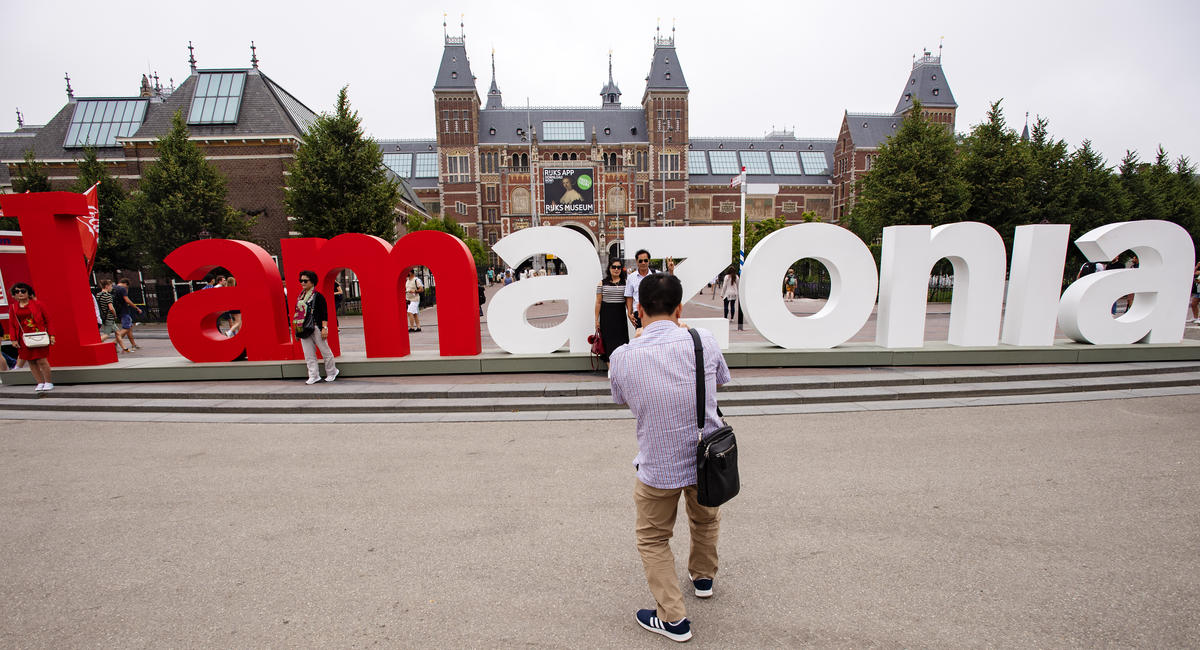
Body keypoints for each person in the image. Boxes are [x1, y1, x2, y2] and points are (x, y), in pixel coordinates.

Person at [608, 273, 731, 643]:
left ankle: (673, 618)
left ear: (638, 310)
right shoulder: (703, 341)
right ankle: (703, 577)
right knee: (705, 520)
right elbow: (720, 380)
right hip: (705, 457)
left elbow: (620, 398)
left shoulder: (623, 356)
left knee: (653, 538)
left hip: (657, 464)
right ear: (680, 308)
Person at [5, 282, 56, 393]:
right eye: (17, 292)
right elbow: (12, 324)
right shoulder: (13, 307)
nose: (20, 293)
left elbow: (48, 320)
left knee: (42, 360)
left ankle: (48, 382)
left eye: (23, 291)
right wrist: (13, 339)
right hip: (23, 338)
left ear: (28, 292)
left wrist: (52, 335)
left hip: (39, 335)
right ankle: (40, 382)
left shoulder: (38, 304)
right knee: (31, 362)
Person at [293, 270, 338, 384]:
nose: (302, 283)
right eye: (301, 280)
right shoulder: (300, 298)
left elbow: (324, 313)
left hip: (316, 327)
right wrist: (297, 331)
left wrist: (324, 328)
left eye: (305, 280)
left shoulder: (318, 296)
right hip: (304, 329)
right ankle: (313, 375)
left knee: (325, 351)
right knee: (308, 354)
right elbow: (298, 315)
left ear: (312, 282)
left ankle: (332, 372)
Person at [594, 259, 630, 362]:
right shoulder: (602, 283)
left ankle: (620, 366)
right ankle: (611, 369)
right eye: (613, 267)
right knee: (607, 342)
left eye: (618, 267)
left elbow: (628, 302)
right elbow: (598, 302)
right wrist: (596, 320)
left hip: (620, 316)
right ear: (609, 268)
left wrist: (630, 314)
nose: (616, 269)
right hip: (606, 317)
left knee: (621, 342)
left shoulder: (626, 283)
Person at [625, 249, 654, 329]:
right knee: (641, 337)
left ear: (649, 261)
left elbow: (668, 285)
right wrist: (629, 313)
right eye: (640, 261)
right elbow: (629, 296)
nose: (643, 263)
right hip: (639, 312)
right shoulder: (631, 278)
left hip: (654, 311)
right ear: (637, 262)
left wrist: (671, 271)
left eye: (645, 260)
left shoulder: (656, 275)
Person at [113, 278, 143, 351]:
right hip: (124, 310)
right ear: (126, 284)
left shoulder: (112, 288)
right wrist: (136, 308)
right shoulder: (122, 289)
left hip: (116, 310)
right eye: (127, 287)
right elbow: (127, 300)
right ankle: (114, 342)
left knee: (129, 328)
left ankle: (133, 345)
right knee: (126, 327)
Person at [96, 279, 123, 350]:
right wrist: (115, 315)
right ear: (107, 286)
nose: (112, 288)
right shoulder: (108, 295)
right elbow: (111, 308)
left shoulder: (98, 295)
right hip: (109, 317)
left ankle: (124, 348)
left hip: (103, 316)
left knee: (117, 332)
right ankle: (96, 344)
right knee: (106, 334)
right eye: (111, 286)